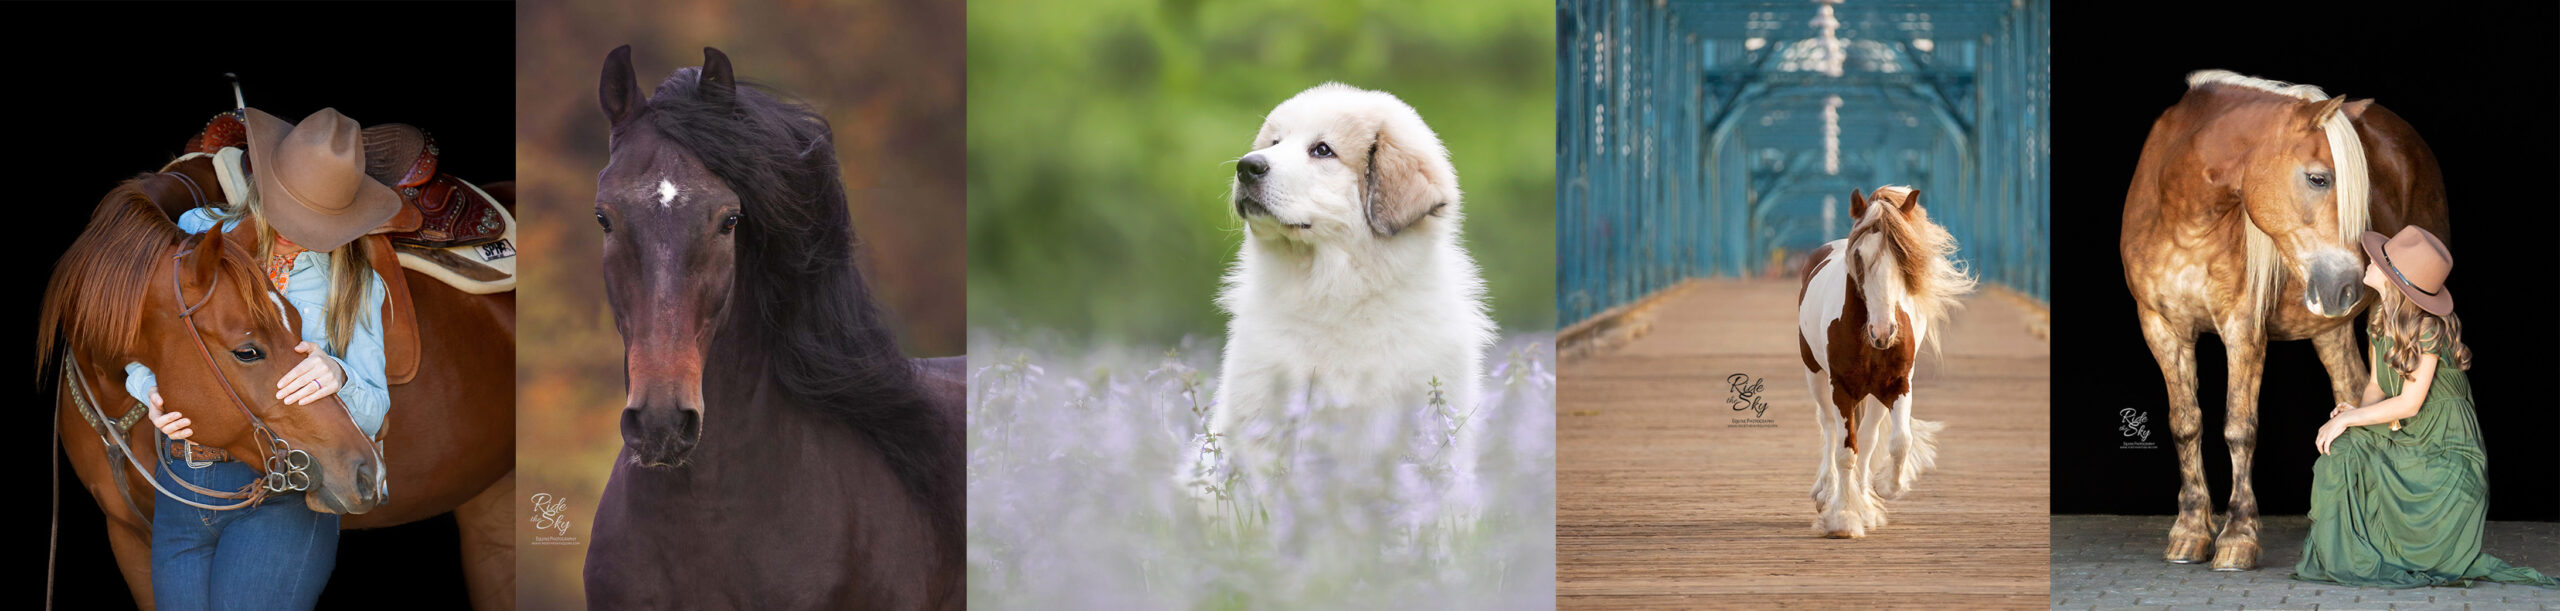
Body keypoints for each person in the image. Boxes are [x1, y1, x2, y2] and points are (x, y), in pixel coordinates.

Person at [125, 107, 400, 610]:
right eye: (293, 212)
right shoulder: (201, 234)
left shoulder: (356, 283)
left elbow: (377, 407)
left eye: (320, 222)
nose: (301, 231)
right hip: (183, 483)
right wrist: (149, 392)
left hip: (282, 488)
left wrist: (338, 376)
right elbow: (148, 340)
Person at [2295, 225, 2556, 589]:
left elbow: (2410, 402)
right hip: (2408, 430)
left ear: (2392, 278)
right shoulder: (2377, 320)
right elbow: (2375, 385)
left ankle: (2415, 552)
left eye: (2380, 260)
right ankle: (2354, 554)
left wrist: (2352, 418)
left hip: (2444, 445)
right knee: (2342, 450)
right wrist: (2352, 418)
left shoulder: (2427, 328)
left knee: (2347, 436)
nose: (2371, 260)